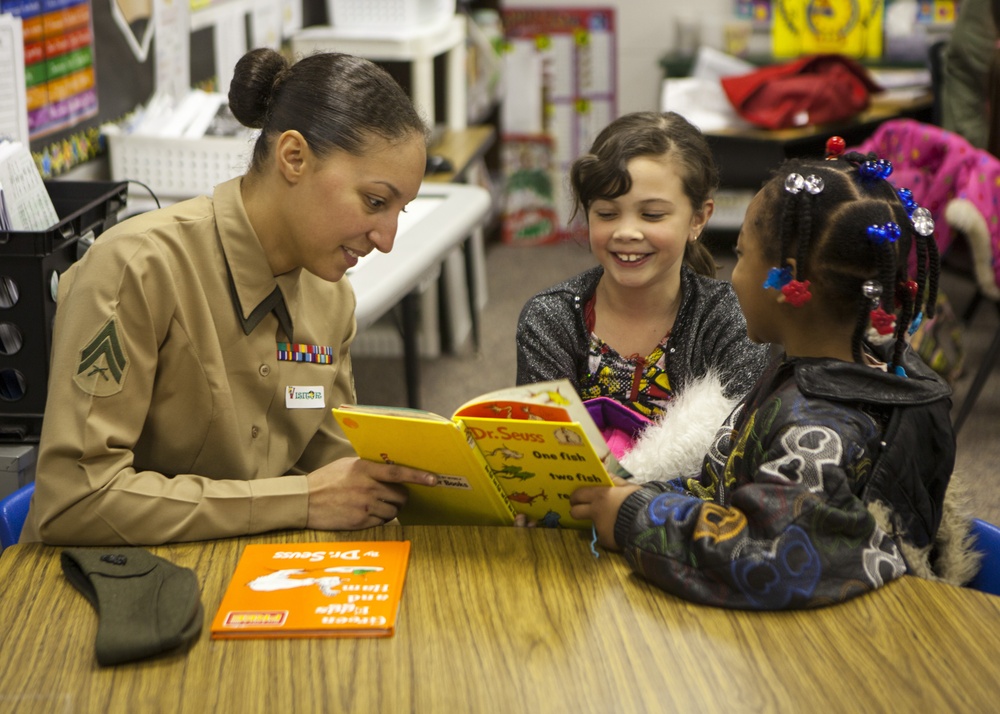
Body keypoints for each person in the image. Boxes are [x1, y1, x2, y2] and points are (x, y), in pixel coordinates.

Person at [20, 48, 437, 545]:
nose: (386, 239)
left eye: (400, 212)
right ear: (294, 157)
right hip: (108, 586)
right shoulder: (137, 268)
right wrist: (298, 500)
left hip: (250, 573)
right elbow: (76, 501)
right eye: (374, 202)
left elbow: (332, 465)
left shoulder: (331, 300)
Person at [569, 144, 981, 609]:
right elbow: (729, 483)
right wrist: (643, 492)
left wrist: (633, 517)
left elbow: (764, 559)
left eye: (742, 255)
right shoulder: (832, 368)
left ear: (787, 284)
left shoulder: (819, 430)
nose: (733, 274)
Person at [515, 112, 769, 423]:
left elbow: (736, 447)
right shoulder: (550, 318)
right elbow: (544, 448)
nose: (626, 232)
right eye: (607, 214)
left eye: (652, 215)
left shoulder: (732, 319)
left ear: (698, 218)